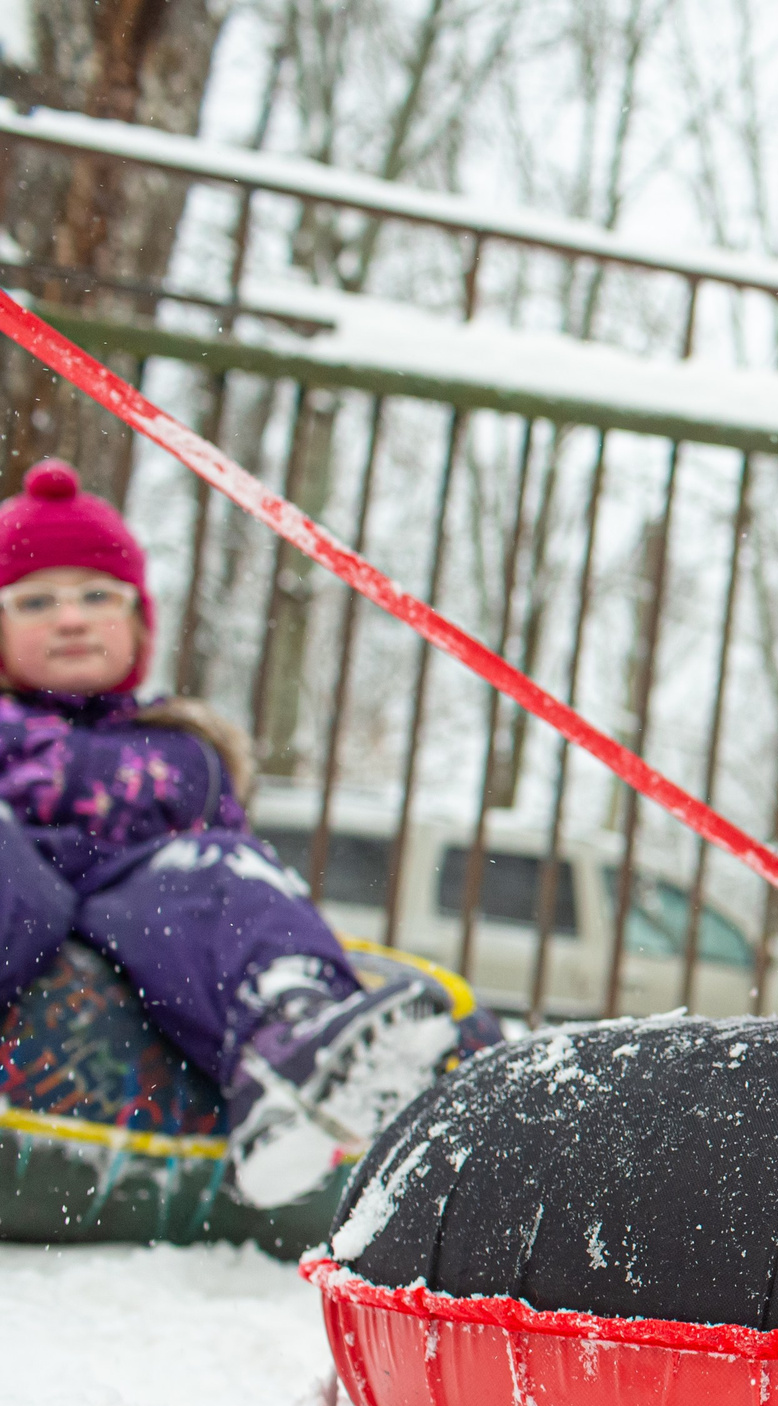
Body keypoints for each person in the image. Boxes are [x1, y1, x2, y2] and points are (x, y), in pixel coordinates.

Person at [0, 459, 455, 1206]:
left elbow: (244, 910)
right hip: (23, 905)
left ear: (138, 621)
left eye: (96, 596)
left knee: (224, 875)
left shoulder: (182, 752)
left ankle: (292, 1050)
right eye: (35, 601)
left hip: (146, 918)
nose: (71, 618)